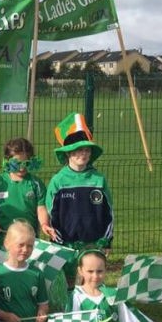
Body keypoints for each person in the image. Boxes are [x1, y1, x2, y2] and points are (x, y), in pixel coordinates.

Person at [45, 113, 113, 289]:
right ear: (68, 153)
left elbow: (108, 212)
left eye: (87, 149)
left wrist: (106, 241)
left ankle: (92, 305)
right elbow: (52, 215)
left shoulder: (98, 179)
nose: (83, 153)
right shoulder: (58, 181)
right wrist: (59, 242)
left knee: (92, 281)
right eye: (78, 149)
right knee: (68, 284)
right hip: (66, 244)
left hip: (93, 243)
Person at [0, 138, 49, 255]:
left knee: (26, 265)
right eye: (17, 163)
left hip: (28, 240)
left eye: (26, 163)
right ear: (7, 160)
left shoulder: (36, 184)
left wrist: (44, 224)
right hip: (3, 240)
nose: (22, 167)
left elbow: (41, 208)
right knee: (4, 266)